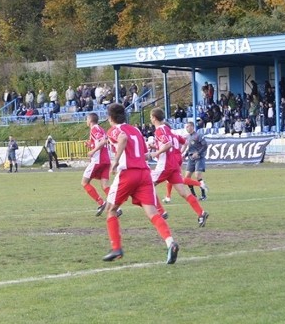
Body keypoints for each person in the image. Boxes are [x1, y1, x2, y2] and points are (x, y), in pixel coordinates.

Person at [102, 103, 179, 264]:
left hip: (128, 173)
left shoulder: (115, 130)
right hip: (144, 173)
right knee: (152, 212)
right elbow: (144, 154)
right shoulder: (136, 130)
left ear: (110, 118)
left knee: (110, 209)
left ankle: (116, 248)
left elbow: (122, 138)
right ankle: (170, 242)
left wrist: (115, 161)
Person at [149, 108, 208, 227]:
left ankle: (161, 212)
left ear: (154, 118)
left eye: (151, 117)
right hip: (174, 164)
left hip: (165, 164)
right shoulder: (167, 129)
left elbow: (167, 144)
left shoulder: (159, 130)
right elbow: (171, 143)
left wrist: (156, 153)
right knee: (183, 192)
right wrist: (156, 148)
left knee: (147, 185)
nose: (150, 119)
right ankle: (201, 213)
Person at [81, 113, 120, 216]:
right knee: (105, 185)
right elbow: (101, 142)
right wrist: (90, 145)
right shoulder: (101, 129)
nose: (86, 121)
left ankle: (101, 202)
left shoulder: (95, 129)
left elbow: (102, 141)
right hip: (106, 159)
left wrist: (93, 151)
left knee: (84, 183)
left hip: (98, 160)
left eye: (87, 119)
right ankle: (117, 207)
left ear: (90, 120)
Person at [184, 121, 208, 200]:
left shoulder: (198, 135)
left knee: (197, 175)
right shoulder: (188, 137)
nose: (186, 128)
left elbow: (205, 145)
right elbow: (190, 148)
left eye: (188, 126)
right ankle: (193, 195)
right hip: (191, 159)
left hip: (199, 158)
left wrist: (198, 153)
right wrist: (184, 155)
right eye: (186, 127)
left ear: (192, 127)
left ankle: (203, 195)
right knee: (187, 178)